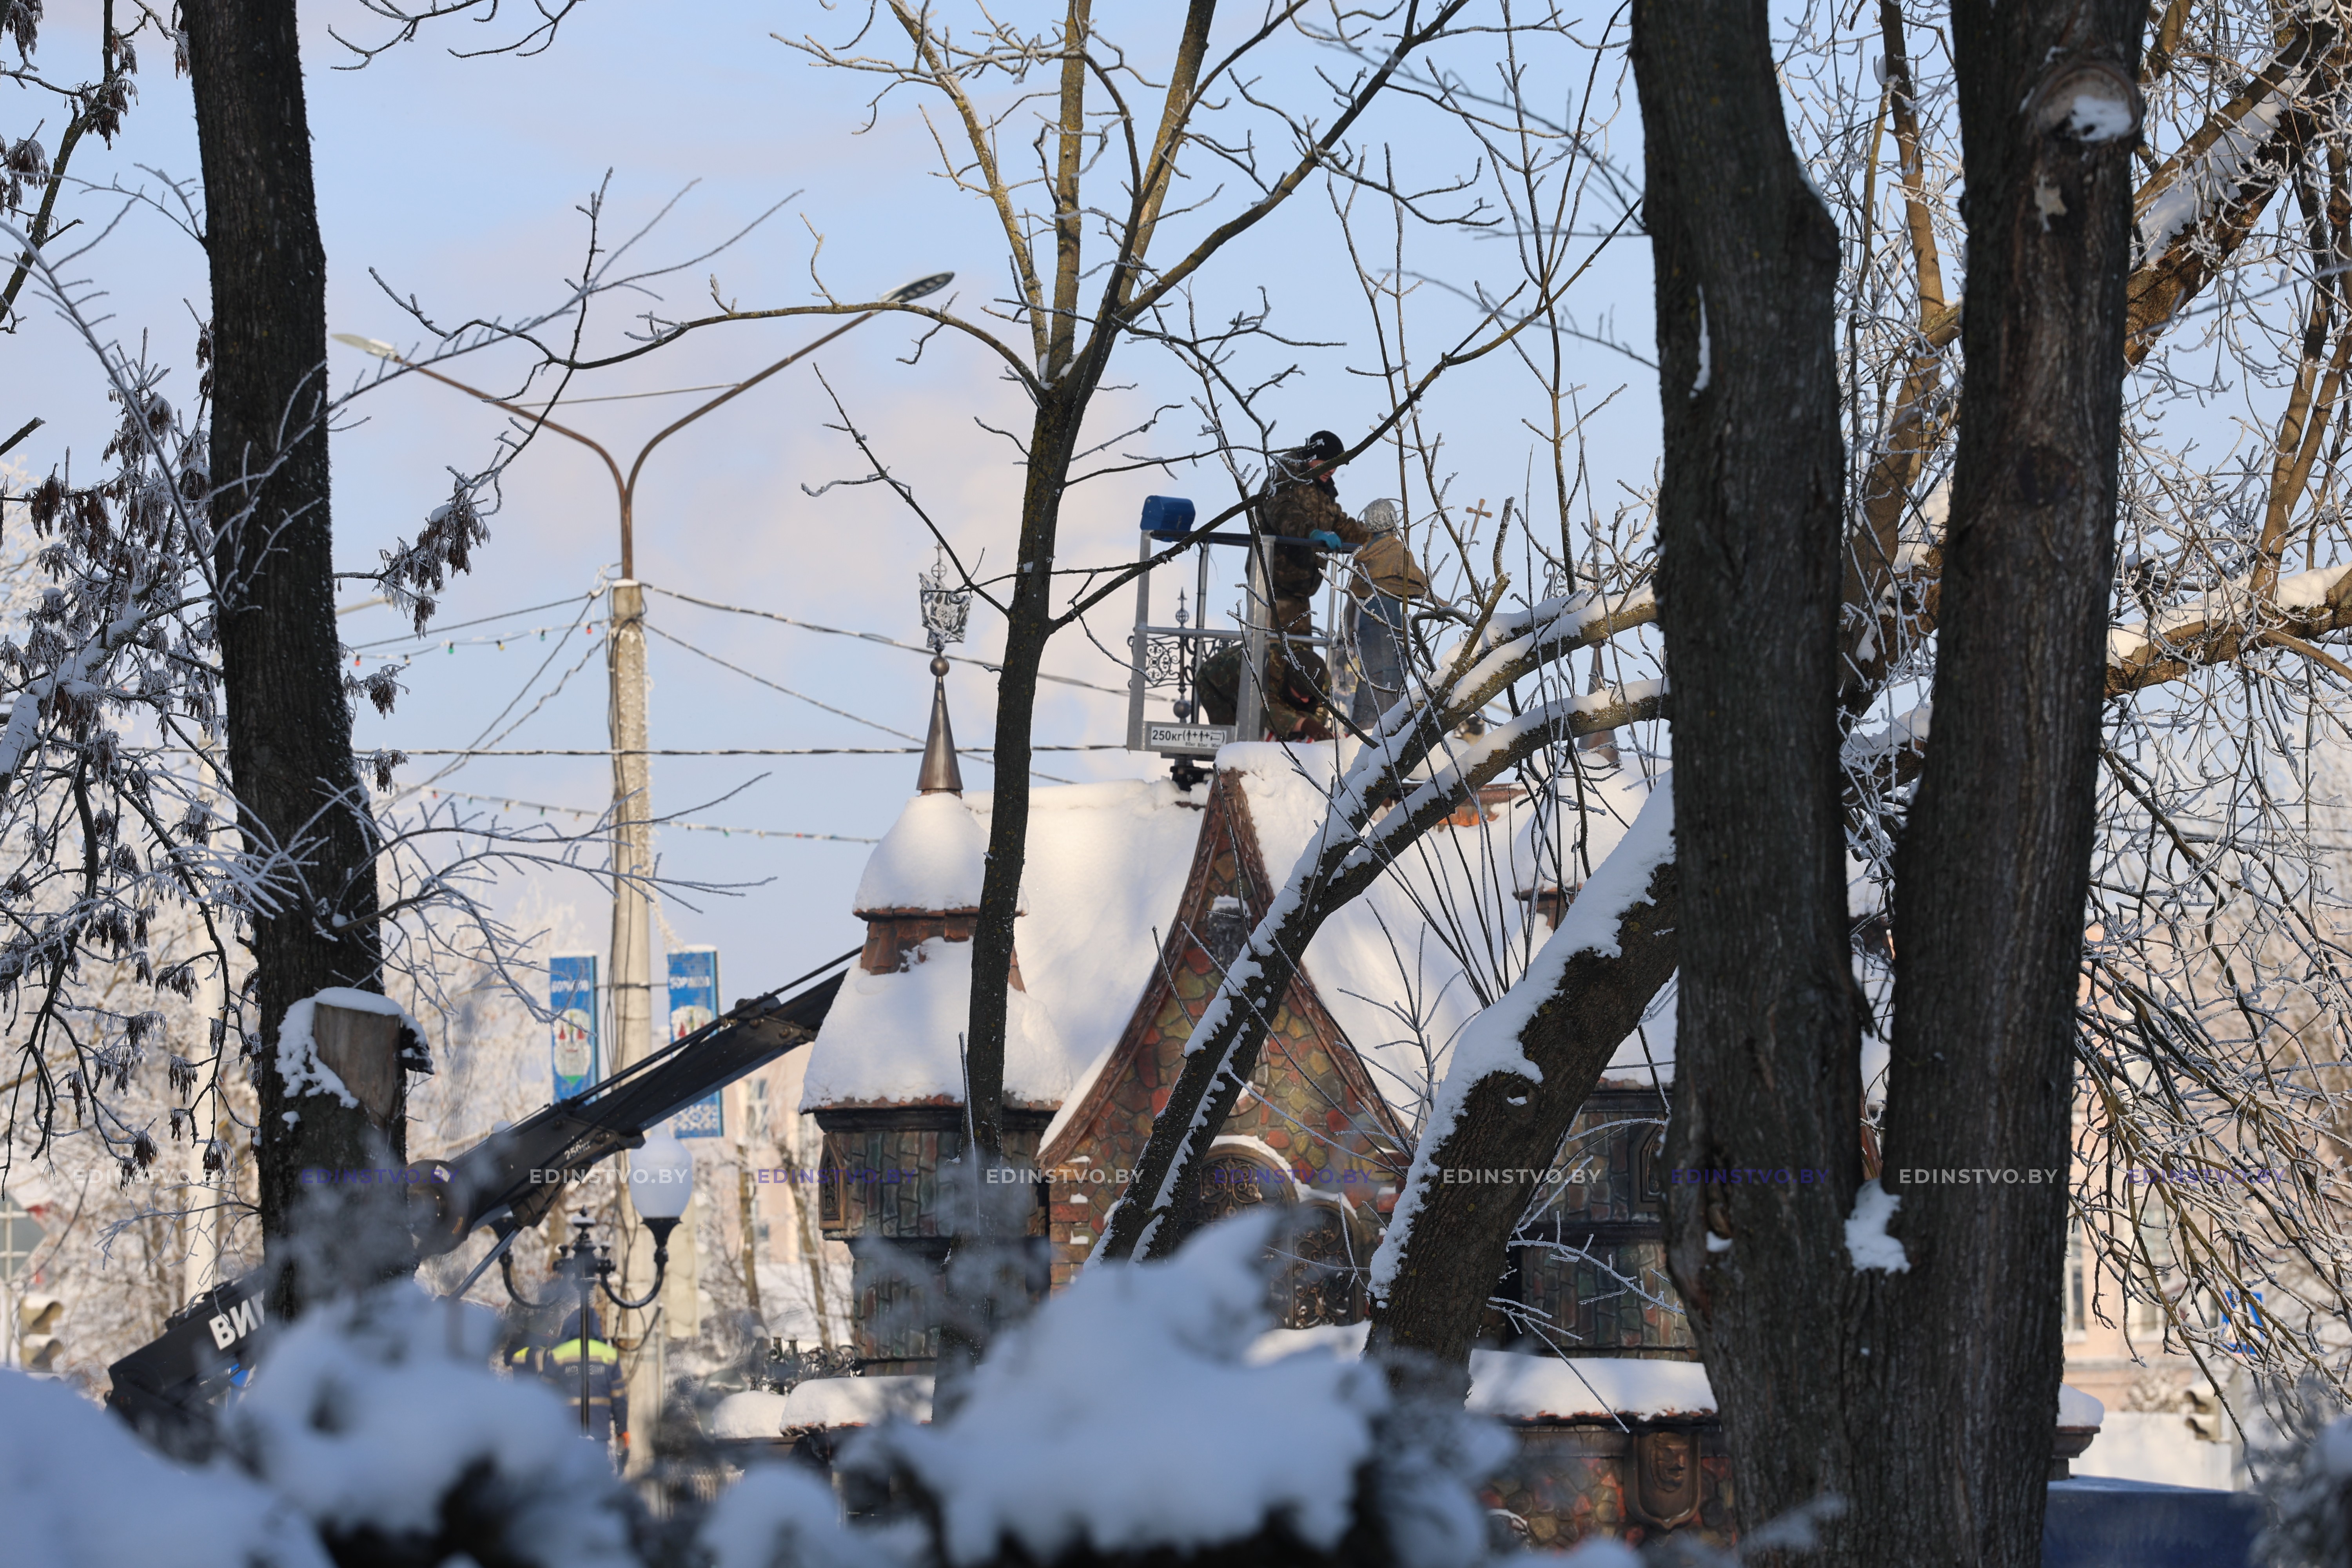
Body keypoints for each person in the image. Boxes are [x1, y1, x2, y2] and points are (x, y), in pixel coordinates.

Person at [1345, 498, 1428, 729]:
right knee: (1390, 671)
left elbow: (1352, 593)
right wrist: (1447, 608)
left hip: (1366, 614)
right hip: (1389, 616)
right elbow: (1423, 588)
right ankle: (1384, 725)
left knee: (1371, 671)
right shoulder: (1396, 550)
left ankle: (1365, 722)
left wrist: (1349, 626)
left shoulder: (1365, 553)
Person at [515, 1306, 629, 1457]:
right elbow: (619, 1397)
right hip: (599, 1432)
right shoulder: (610, 1355)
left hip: (567, 1432)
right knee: (595, 1473)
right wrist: (622, 1430)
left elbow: (546, 1394)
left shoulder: (558, 1354)